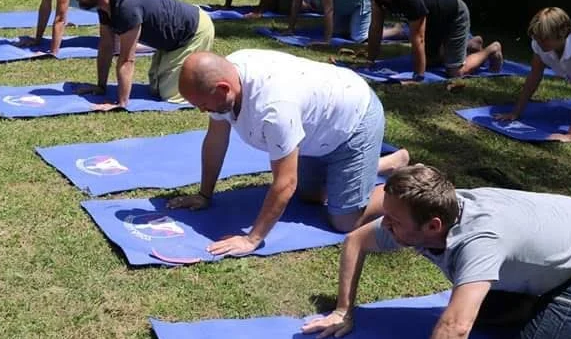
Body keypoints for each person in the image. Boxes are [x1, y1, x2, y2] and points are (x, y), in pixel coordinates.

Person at [302, 164, 571, 339]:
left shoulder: (478, 244)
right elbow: (355, 241)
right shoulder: (432, 213)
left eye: (394, 221)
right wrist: (343, 311)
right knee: (488, 316)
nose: (386, 226)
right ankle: (539, 297)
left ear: (433, 226)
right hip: (563, 239)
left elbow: (456, 326)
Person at [169, 50, 410, 255]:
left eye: (202, 104)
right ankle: (376, 166)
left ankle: (395, 169)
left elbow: (285, 183)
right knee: (308, 196)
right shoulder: (225, 76)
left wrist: (252, 239)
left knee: (344, 220)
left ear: (223, 89)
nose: (202, 111)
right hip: (317, 131)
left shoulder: (274, 108)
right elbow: (215, 140)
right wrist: (204, 194)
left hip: (353, 123)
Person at [70, 0, 214, 109]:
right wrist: (101, 87)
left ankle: (214, 83)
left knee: (170, 96)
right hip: (169, 38)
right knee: (155, 89)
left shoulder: (127, 6)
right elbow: (106, 46)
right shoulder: (104, 4)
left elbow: (127, 59)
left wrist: (121, 103)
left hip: (193, 31)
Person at [361, 0, 502, 79]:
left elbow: (419, 38)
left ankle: (491, 49)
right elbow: (375, 29)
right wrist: (370, 62)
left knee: (455, 72)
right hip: (433, 21)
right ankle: (471, 44)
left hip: (454, 15)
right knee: (430, 62)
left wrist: (417, 76)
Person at [493, 7, 571, 142]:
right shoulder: (540, 43)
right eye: (537, 38)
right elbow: (534, 76)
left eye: (544, 39)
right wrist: (515, 112)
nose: (539, 42)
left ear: (563, 34)